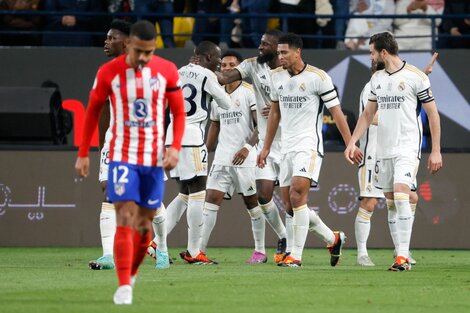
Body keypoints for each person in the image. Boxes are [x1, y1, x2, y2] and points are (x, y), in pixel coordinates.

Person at [75, 20, 185, 304]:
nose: (144, 58)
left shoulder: (167, 71)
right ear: (129, 45)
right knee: (123, 214)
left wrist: (174, 147)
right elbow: (93, 111)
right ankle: (124, 284)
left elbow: (178, 113)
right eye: (139, 51)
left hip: (152, 157)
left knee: (144, 223)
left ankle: (145, 260)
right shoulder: (109, 71)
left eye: (149, 52)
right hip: (121, 154)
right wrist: (84, 152)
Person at [258, 32, 362, 267]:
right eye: (279, 53)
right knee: (290, 205)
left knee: (297, 194)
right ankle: (332, 238)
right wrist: (266, 147)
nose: (280, 56)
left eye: (284, 52)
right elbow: (275, 112)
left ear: (298, 52)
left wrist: (350, 144)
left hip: (309, 145)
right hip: (286, 148)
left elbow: (337, 113)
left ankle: (295, 256)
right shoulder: (276, 77)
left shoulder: (318, 77)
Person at [345, 32, 442, 271]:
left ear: (383, 52)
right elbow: (368, 114)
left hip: (407, 147)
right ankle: (401, 253)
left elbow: (432, 114)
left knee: (401, 194)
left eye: (372, 52)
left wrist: (436, 150)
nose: (371, 56)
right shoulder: (377, 79)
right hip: (383, 150)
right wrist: (352, 142)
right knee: (390, 201)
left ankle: (402, 256)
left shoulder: (416, 77)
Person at [148, 41, 231, 265]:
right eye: (216, 58)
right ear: (205, 57)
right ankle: (194, 251)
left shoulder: (175, 73)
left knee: (184, 192)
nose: (219, 63)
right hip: (192, 137)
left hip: (171, 136)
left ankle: (156, 243)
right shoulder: (206, 75)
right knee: (197, 193)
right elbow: (226, 103)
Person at [216, 29, 288, 264]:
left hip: (289, 142)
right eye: (260, 42)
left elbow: (303, 105)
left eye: (266, 44)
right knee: (263, 197)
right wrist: (202, 73)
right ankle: (284, 237)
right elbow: (225, 78)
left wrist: (280, 110)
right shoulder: (253, 65)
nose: (261, 46)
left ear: (277, 47)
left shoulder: (293, 71)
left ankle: (330, 237)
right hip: (267, 145)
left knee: (292, 203)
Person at [200, 51, 265, 263]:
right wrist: (205, 150)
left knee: (251, 203)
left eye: (231, 65)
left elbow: (260, 126)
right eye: (224, 65)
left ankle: (260, 251)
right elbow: (215, 124)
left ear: (239, 69)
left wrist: (247, 147)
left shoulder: (249, 92)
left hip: (245, 158)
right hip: (222, 157)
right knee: (210, 200)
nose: (227, 68)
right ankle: (198, 251)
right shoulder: (217, 93)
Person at [87, 19, 131, 271]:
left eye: (112, 38)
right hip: (114, 144)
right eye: (106, 37)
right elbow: (103, 108)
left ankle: (155, 245)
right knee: (109, 190)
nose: (106, 41)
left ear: (126, 41)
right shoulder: (106, 72)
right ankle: (110, 254)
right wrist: (104, 143)